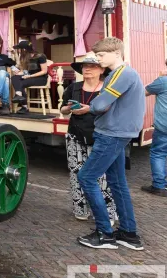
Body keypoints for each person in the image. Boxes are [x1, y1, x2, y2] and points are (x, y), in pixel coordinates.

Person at [71, 37, 144, 250]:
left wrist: (92, 105)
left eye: (101, 55)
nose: (98, 59)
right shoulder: (122, 74)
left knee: (86, 176)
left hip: (111, 133)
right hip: (118, 132)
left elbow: (101, 104)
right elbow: (103, 104)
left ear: (117, 54)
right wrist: (95, 105)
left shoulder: (122, 74)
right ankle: (129, 234)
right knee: (117, 182)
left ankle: (104, 233)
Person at [59, 53, 118, 222]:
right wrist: (69, 108)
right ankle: (80, 208)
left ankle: (107, 212)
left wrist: (89, 109)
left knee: (102, 175)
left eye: (92, 66)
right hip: (75, 135)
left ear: (101, 70)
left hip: (100, 135)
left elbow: (111, 109)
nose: (87, 69)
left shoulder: (108, 88)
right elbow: (62, 109)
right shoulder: (73, 87)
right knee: (76, 173)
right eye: (85, 66)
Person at [143, 59, 167, 196]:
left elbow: (143, 92)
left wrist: (159, 77)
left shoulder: (163, 81)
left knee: (158, 153)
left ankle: (159, 185)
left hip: (164, 126)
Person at [10, 40, 49, 113]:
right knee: (14, 78)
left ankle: (24, 106)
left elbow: (44, 71)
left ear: (24, 49)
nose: (18, 50)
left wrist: (29, 76)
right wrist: (19, 72)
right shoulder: (24, 57)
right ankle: (19, 95)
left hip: (41, 78)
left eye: (19, 49)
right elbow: (23, 69)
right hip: (29, 76)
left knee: (20, 83)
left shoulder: (40, 56)